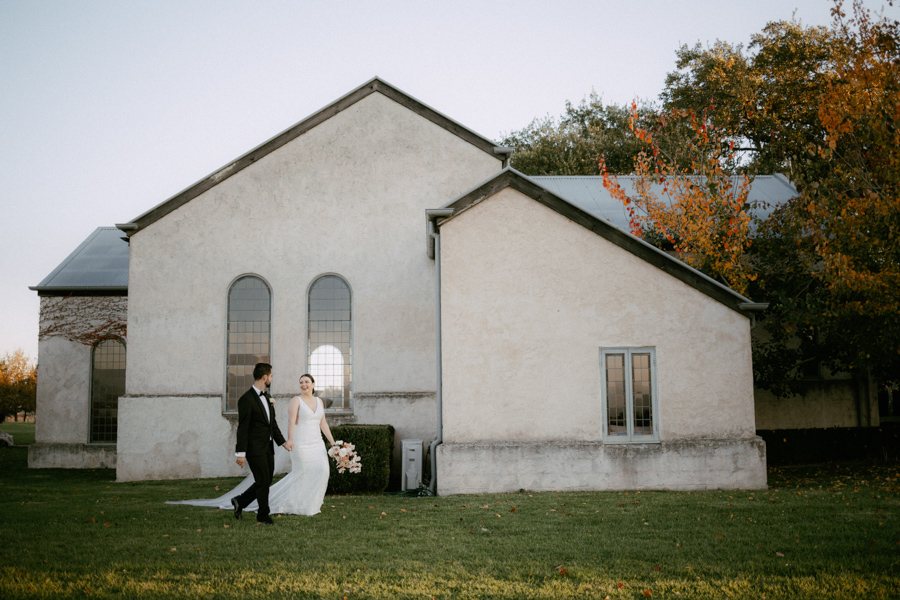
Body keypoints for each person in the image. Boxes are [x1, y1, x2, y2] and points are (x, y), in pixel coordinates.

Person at [167, 372, 334, 518]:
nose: (303, 384)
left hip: (317, 443)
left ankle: (310, 504)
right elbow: (290, 423)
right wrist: (288, 440)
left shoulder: (319, 402)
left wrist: (333, 443)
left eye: (306, 382)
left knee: (322, 471)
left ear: (313, 384)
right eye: (301, 382)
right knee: (295, 474)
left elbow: (323, 424)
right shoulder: (295, 401)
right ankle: (290, 506)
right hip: (301, 443)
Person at [231, 363, 291, 525]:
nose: (272, 379)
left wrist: (283, 443)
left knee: (265, 480)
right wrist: (241, 453)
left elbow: (273, 424)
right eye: (271, 376)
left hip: (268, 447)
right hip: (254, 449)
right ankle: (263, 516)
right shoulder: (246, 399)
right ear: (264, 377)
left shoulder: (266, 397)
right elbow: (243, 428)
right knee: (263, 480)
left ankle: (240, 502)